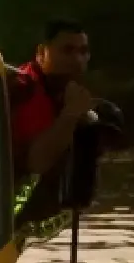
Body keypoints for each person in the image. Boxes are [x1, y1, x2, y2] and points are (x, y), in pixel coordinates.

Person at [8, 18, 95, 182]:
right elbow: (36, 163)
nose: (77, 60)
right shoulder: (22, 89)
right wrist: (71, 113)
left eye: (83, 52)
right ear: (41, 53)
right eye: (67, 51)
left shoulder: (63, 91)